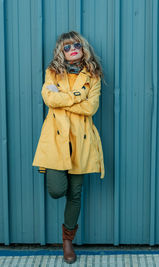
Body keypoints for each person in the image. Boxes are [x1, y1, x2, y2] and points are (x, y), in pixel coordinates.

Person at [32, 31, 105, 264]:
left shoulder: (93, 75)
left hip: (82, 140)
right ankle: (67, 238)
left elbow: (91, 108)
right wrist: (77, 97)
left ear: (83, 48)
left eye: (76, 45)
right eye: (66, 47)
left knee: (75, 194)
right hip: (56, 139)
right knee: (56, 190)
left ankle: (67, 242)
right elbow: (50, 99)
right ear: (60, 51)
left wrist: (64, 97)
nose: (72, 49)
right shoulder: (52, 72)